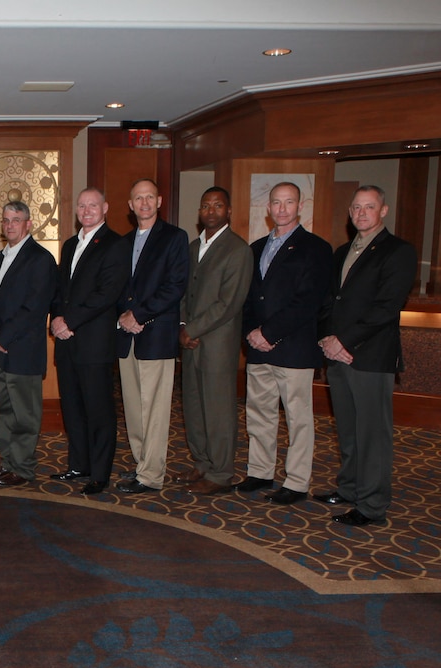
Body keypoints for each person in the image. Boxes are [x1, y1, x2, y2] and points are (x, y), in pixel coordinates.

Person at [315, 185, 416, 526]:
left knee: (372, 434)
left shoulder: (398, 251)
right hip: (338, 355)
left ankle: (371, 505)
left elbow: (386, 308)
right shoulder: (342, 251)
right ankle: (349, 489)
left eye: (369, 207)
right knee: (348, 429)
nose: (361, 213)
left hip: (370, 357)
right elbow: (330, 301)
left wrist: (344, 341)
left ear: (383, 211)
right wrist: (328, 339)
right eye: (356, 208)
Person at [239, 181, 332, 505]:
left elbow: (308, 301)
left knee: (298, 418)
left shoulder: (316, 248)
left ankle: (296, 481)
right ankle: (261, 471)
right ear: (268, 208)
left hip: (293, 348)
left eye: (288, 202)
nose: (281, 208)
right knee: (259, 413)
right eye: (276, 202)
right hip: (258, 347)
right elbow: (249, 298)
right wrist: (252, 332)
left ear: (300, 206)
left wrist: (269, 333)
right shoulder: (256, 247)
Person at [49, 188, 129, 494]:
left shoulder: (115, 244)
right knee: (72, 407)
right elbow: (60, 291)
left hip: (94, 342)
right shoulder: (70, 245)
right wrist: (56, 318)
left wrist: (70, 321)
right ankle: (78, 464)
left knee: (98, 410)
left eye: (93, 205)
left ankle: (99, 473)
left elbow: (106, 294)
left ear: (105, 207)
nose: (86, 210)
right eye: (81, 205)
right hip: (66, 341)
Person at [174, 187, 253, 495]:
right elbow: (184, 294)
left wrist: (192, 329)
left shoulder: (237, 250)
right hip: (191, 340)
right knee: (193, 406)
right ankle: (203, 463)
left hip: (217, 344)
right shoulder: (194, 248)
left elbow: (229, 302)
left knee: (217, 409)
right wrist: (183, 326)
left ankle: (220, 473)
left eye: (218, 205)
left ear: (229, 211)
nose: (211, 211)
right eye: (205, 205)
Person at [115, 179, 190, 494]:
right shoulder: (123, 241)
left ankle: (151, 474)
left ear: (159, 201)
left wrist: (139, 315)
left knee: (155, 408)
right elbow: (118, 286)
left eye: (149, 197)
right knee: (133, 407)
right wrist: (123, 316)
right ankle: (140, 464)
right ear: (130, 205)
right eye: (137, 198)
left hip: (155, 334)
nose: (143, 203)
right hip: (127, 335)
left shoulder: (174, 238)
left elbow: (175, 286)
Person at [0, 200, 56, 486]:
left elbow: (34, 307)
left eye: (16, 220)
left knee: (25, 414)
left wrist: (1, 336)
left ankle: (23, 468)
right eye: (6, 220)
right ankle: (8, 462)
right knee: (4, 410)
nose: (10, 225)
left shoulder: (40, 259)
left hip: (23, 350)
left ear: (28, 223)